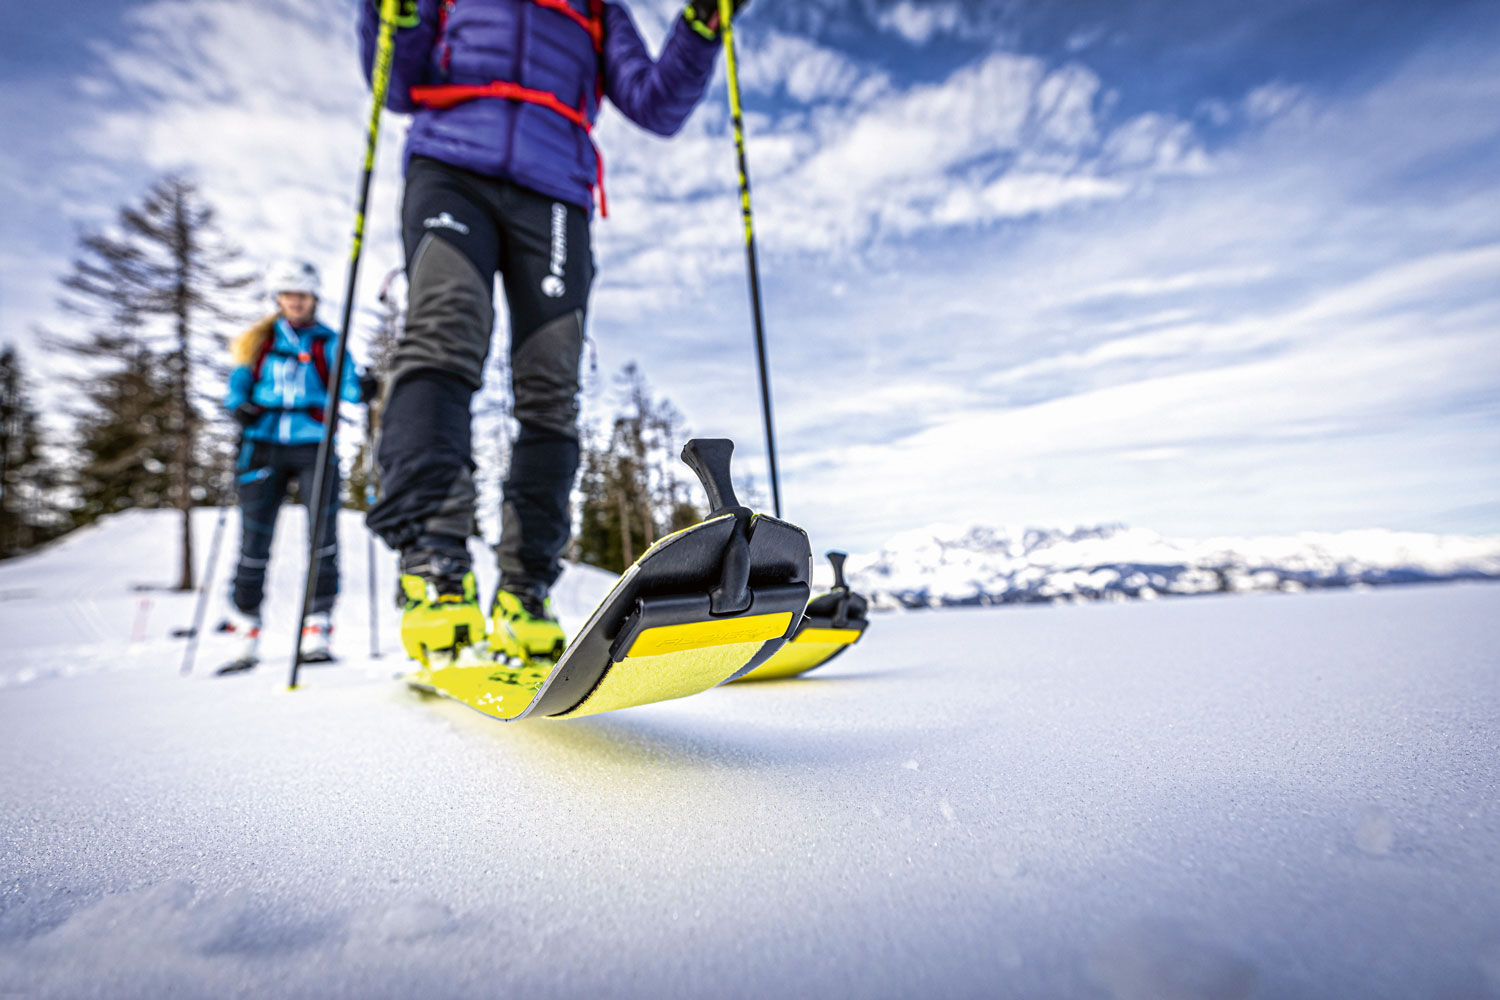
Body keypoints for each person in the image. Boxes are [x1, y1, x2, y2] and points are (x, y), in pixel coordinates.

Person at [358, 0, 747, 662]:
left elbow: (656, 104)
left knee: (551, 380)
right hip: (451, 168)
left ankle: (524, 591)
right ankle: (433, 564)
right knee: (445, 331)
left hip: (555, 193)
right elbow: (394, 81)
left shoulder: (597, 9)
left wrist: (701, 27)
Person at [221, 259, 378, 667]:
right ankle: (246, 626)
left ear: (313, 298)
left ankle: (318, 624)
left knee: (322, 536)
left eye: (302, 294)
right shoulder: (257, 342)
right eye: (288, 294)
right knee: (254, 541)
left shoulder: (329, 342)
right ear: (278, 298)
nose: (295, 301)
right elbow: (236, 387)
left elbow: (347, 386)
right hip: (262, 445)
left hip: (315, 446)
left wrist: (363, 388)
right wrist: (240, 408)